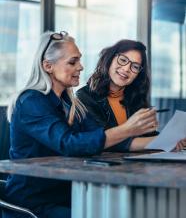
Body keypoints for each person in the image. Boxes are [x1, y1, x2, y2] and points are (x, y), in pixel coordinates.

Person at [4, 32, 158, 218]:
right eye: (72, 62)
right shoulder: (31, 101)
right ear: (48, 66)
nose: (81, 67)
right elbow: (69, 144)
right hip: (34, 203)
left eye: (80, 61)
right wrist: (128, 129)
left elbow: (103, 138)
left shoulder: (70, 104)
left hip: (66, 195)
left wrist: (163, 143)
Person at [76, 39, 186, 152]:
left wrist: (172, 140)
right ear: (109, 59)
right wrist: (162, 141)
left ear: (138, 73)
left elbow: (148, 135)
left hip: (136, 165)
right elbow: (104, 140)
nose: (126, 69)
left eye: (135, 66)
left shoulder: (136, 97)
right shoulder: (84, 96)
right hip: (100, 167)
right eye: (123, 60)